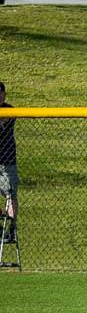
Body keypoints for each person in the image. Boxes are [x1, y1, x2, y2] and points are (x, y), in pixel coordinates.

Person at [0, 82, 17, 244]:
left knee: (10, 194)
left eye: (1, 93)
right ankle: (0, 227)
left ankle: (11, 228)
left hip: (7, 160)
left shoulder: (10, 109)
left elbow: (3, 122)